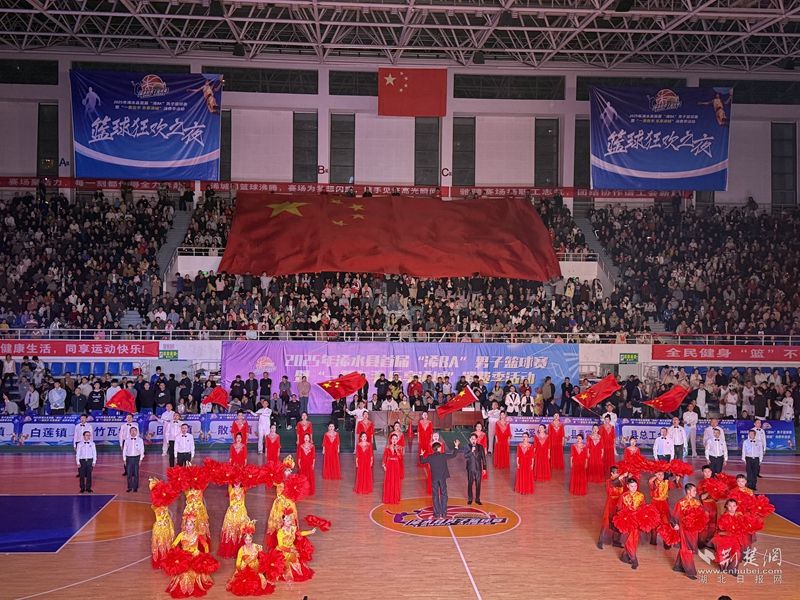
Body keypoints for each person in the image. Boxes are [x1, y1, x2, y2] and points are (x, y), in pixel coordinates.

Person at [166, 512, 216, 597]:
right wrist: (175, 553)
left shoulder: (197, 535)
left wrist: (205, 556)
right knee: (183, 573)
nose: (188, 527)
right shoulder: (181, 535)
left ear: (194, 526)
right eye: (187, 525)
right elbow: (173, 545)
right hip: (184, 557)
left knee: (193, 572)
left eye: (190, 525)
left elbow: (205, 545)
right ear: (185, 525)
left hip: (195, 557)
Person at [226, 520, 275, 596]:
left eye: (250, 540)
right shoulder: (241, 549)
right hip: (245, 568)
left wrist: (262, 566)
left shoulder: (257, 547)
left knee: (262, 584)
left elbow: (263, 557)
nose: (248, 542)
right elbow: (238, 563)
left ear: (252, 539)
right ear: (244, 540)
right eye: (246, 540)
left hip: (256, 568)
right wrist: (241, 569)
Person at [420, 440, 461, 518]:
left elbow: (422, 461)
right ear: (438, 448)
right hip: (442, 478)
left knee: (435, 495)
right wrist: (456, 446)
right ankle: (444, 513)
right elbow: (454, 455)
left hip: (435, 478)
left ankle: (436, 514)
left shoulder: (430, 457)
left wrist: (421, 454)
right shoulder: (443, 455)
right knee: (444, 495)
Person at [671, 483, 701, 580]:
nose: (695, 492)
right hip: (684, 529)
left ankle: (678, 566)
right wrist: (675, 524)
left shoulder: (697, 503)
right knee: (686, 548)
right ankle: (690, 571)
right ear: (688, 491)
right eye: (694, 490)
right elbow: (674, 515)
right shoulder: (681, 503)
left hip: (693, 529)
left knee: (688, 547)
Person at [276, 509, 315, 582]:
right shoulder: (280, 533)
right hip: (283, 550)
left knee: (296, 559)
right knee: (287, 561)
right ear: (283, 521)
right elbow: (281, 546)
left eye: (290, 520)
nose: (290, 522)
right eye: (288, 520)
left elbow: (300, 533)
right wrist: (291, 550)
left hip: (292, 547)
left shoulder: (293, 528)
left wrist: (310, 532)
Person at [617, 478, 646, 569]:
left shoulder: (641, 496)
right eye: (632, 486)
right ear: (628, 486)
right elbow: (619, 508)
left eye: (635, 486)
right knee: (629, 538)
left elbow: (643, 507)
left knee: (634, 539)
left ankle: (625, 556)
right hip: (627, 520)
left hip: (636, 520)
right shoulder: (624, 496)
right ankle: (634, 559)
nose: (634, 488)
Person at [597, 466, 627, 549]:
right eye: (616, 473)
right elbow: (614, 482)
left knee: (619, 522)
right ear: (612, 473)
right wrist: (622, 476)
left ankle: (616, 541)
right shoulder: (609, 481)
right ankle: (600, 541)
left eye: (618, 473)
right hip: (611, 504)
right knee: (606, 522)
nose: (618, 474)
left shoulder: (621, 480)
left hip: (619, 503)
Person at [218, 482, 250, 559]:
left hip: (241, 513)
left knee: (240, 530)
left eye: (238, 481)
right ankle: (231, 550)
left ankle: (240, 551)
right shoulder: (230, 489)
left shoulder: (243, 489)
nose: (236, 483)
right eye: (234, 481)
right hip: (231, 513)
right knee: (231, 531)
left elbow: (248, 483)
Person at [149, 478, 175, 569]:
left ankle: (167, 560)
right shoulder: (155, 505)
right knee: (160, 544)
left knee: (167, 543)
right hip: (160, 528)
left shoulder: (165, 504)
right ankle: (161, 561)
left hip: (167, 526)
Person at [649, 471, 678, 548]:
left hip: (664, 504)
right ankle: (653, 540)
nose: (661, 476)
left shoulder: (666, 482)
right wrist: (656, 475)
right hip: (655, 504)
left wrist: (677, 478)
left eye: (662, 474)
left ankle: (666, 541)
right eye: (659, 474)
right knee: (654, 522)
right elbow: (650, 481)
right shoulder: (654, 482)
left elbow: (675, 484)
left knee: (665, 522)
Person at [695, 464, 719, 549]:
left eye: (709, 471)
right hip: (705, 506)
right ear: (703, 473)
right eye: (705, 472)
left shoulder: (715, 482)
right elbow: (702, 497)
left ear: (711, 472)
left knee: (713, 524)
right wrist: (710, 490)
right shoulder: (700, 483)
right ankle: (701, 542)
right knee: (704, 525)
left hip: (713, 505)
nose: (707, 473)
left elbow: (717, 498)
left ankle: (710, 542)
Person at [463, 432, 487, 505]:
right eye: (472, 439)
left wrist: (484, 468)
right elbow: (465, 456)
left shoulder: (480, 447)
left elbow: (483, 458)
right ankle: (470, 498)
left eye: (475, 439)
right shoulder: (467, 447)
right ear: (470, 439)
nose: (473, 440)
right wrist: (471, 451)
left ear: (477, 439)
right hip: (470, 468)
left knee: (478, 484)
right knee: (470, 483)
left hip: (478, 469)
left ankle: (477, 499)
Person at [382, 433, 403, 504]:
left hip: (396, 465)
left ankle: (395, 498)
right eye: (393, 438)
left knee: (396, 480)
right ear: (391, 440)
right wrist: (384, 465)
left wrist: (397, 451)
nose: (394, 440)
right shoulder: (387, 447)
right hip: (389, 465)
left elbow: (401, 458)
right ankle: (388, 498)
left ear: (397, 440)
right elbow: (384, 456)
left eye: (396, 439)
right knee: (389, 480)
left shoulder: (399, 448)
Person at [123, 425, 144, 492]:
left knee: (136, 473)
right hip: (129, 458)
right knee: (129, 473)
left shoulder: (140, 440)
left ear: (136, 432)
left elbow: (142, 450)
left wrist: (141, 459)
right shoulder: (127, 440)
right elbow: (124, 450)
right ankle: (129, 487)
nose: (133, 432)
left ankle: (135, 487)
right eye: (131, 431)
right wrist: (124, 459)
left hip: (136, 458)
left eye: (134, 431)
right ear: (129, 432)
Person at [73, 414, 92, 478]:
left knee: (86, 458)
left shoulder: (89, 426)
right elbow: (75, 436)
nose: (82, 419)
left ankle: (86, 473)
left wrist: (90, 444)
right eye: (81, 418)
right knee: (79, 458)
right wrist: (74, 445)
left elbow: (91, 436)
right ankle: (80, 473)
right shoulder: (77, 426)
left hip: (86, 443)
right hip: (79, 443)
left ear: (86, 419)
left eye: (83, 418)